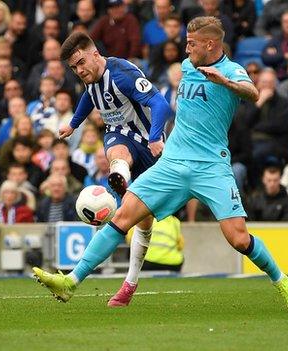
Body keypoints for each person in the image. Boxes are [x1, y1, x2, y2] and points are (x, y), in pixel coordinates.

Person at [33, 17, 288, 313]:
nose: (186, 49)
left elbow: (252, 94)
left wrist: (225, 82)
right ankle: (71, 281)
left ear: (210, 44)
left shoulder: (231, 70)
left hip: (210, 165)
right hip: (173, 161)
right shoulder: (188, 66)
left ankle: (284, 284)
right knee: (123, 215)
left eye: (191, 43)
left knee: (239, 239)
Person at [39, 31, 171, 306]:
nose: (79, 70)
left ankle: (130, 283)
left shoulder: (122, 73)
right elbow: (90, 97)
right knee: (115, 151)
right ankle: (119, 178)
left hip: (149, 142)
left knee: (143, 222)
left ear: (95, 53)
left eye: (81, 63)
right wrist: (74, 124)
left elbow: (160, 103)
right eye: (73, 67)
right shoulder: (91, 79)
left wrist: (157, 136)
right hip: (119, 133)